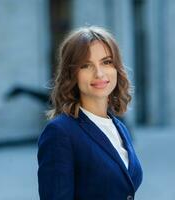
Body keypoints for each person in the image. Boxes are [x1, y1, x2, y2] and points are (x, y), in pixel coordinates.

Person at [37, 26, 143, 200]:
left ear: (116, 68)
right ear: (72, 74)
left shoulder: (119, 127)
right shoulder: (60, 132)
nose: (99, 73)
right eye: (86, 65)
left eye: (107, 62)